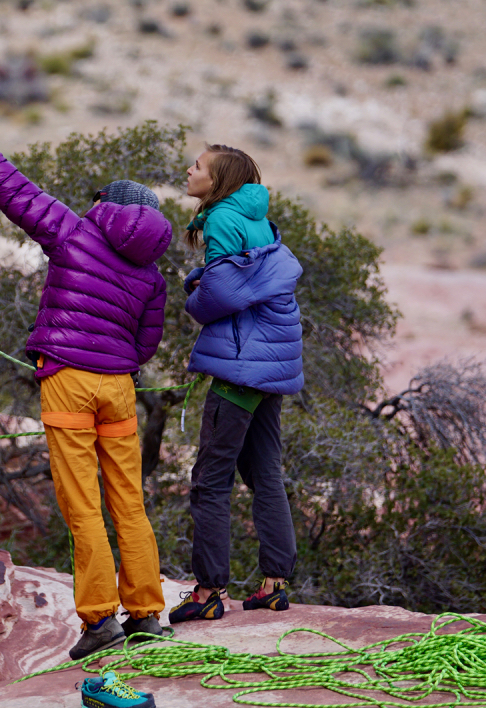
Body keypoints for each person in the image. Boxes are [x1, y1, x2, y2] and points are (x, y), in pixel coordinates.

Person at [0, 98, 172, 662]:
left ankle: (100, 623)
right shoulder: (152, 276)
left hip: (68, 381)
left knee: (82, 505)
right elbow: (147, 344)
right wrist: (116, 362)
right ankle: (146, 614)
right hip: (119, 389)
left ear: (106, 206)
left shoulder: (73, 233)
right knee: (129, 502)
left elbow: (13, 189)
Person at [168, 144, 304, 624]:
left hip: (243, 366)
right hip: (271, 364)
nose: (189, 170)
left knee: (210, 480)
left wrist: (194, 291)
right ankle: (273, 584)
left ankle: (208, 591)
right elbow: (250, 279)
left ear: (220, 179)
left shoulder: (222, 219)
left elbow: (223, 293)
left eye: (199, 166)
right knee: (265, 472)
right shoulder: (255, 217)